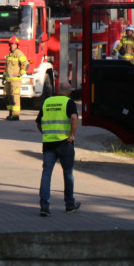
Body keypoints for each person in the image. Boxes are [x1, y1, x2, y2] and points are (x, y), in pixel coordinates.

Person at [35, 82, 81, 217]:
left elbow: (38, 122)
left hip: (49, 143)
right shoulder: (68, 102)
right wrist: (72, 135)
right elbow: (74, 117)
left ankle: (44, 206)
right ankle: (69, 204)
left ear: (57, 90)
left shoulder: (47, 102)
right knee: (68, 174)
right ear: (69, 92)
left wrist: (45, 133)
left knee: (46, 174)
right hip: (65, 143)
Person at [3, 36, 29, 121]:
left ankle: (16, 115)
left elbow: (26, 64)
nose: (12, 46)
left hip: (15, 81)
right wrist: (3, 77)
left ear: (17, 45)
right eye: (11, 44)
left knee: (15, 97)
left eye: (14, 44)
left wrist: (20, 73)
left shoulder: (19, 53)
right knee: (7, 96)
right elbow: (6, 68)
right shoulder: (9, 55)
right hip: (8, 80)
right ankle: (10, 113)